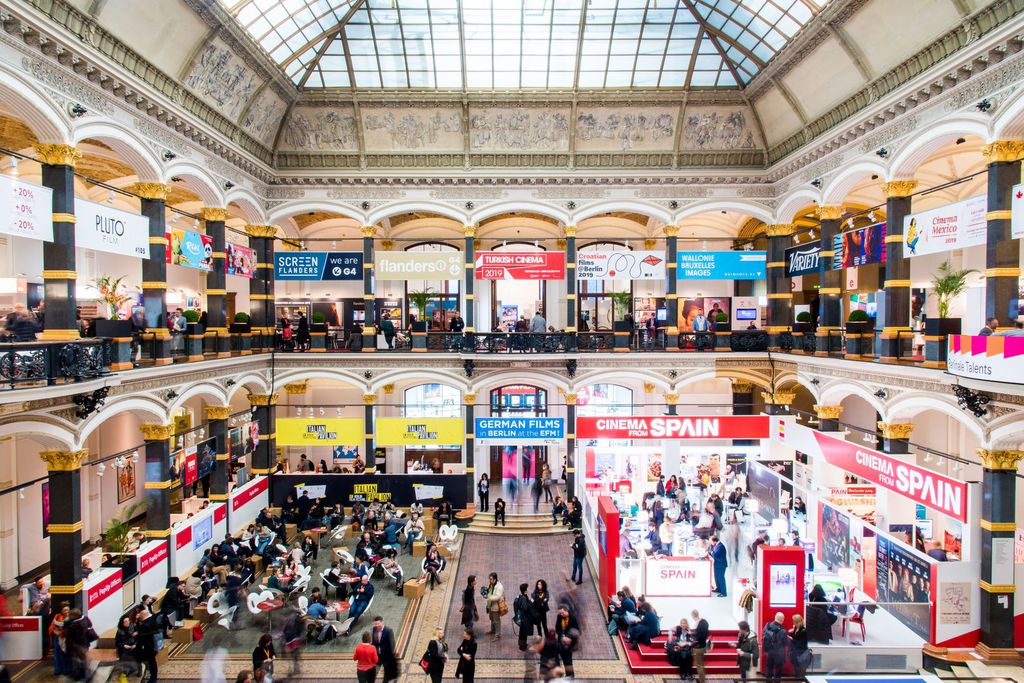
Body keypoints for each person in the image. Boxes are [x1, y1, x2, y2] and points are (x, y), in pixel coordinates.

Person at [762, 612, 790, 683]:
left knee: (769, 667)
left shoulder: (767, 625)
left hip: (769, 651)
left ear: (775, 617)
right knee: (778, 670)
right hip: (779, 654)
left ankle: (768, 682)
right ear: (782, 620)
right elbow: (786, 643)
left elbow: (764, 635)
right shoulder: (783, 631)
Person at [554, 603, 580, 675]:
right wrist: (562, 637)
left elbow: (577, 630)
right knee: (557, 660)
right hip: (561, 642)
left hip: (569, 644)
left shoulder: (573, 618)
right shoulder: (559, 617)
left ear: (566, 611)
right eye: (560, 613)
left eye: (562, 613)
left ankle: (570, 676)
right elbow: (557, 628)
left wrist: (569, 638)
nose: (561, 614)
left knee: (568, 662)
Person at [370, 616, 398, 683]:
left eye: (378, 623)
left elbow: (392, 644)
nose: (377, 625)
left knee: (386, 673)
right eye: (375, 624)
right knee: (374, 672)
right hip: (377, 656)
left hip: (386, 656)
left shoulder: (388, 631)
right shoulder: (374, 629)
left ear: (382, 622)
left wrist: (391, 655)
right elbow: (373, 642)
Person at [690, 609, 710, 683]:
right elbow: (704, 633)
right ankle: (702, 679)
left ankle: (702, 681)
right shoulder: (705, 622)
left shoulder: (697, 624)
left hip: (698, 647)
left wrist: (691, 633)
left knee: (699, 666)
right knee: (702, 664)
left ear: (693, 615)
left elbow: (698, 637)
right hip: (703, 646)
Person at [484, 572, 505, 641]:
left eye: (491, 579)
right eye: (489, 579)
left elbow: (498, 597)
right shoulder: (491, 584)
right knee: (492, 618)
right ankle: (492, 630)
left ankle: (497, 635)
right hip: (490, 605)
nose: (490, 580)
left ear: (495, 579)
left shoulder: (499, 587)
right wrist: (486, 593)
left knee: (496, 620)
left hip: (496, 606)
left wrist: (488, 597)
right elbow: (490, 592)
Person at [513, 583, 533, 651]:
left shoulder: (521, 596)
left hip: (522, 617)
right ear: (525, 590)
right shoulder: (524, 598)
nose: (528, 590)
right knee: (523, 632)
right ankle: (522, 646)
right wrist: (530, 602)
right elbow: (525, 607)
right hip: (524, 617)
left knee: (522, 631)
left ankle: (522, 644)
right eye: (527, 589)